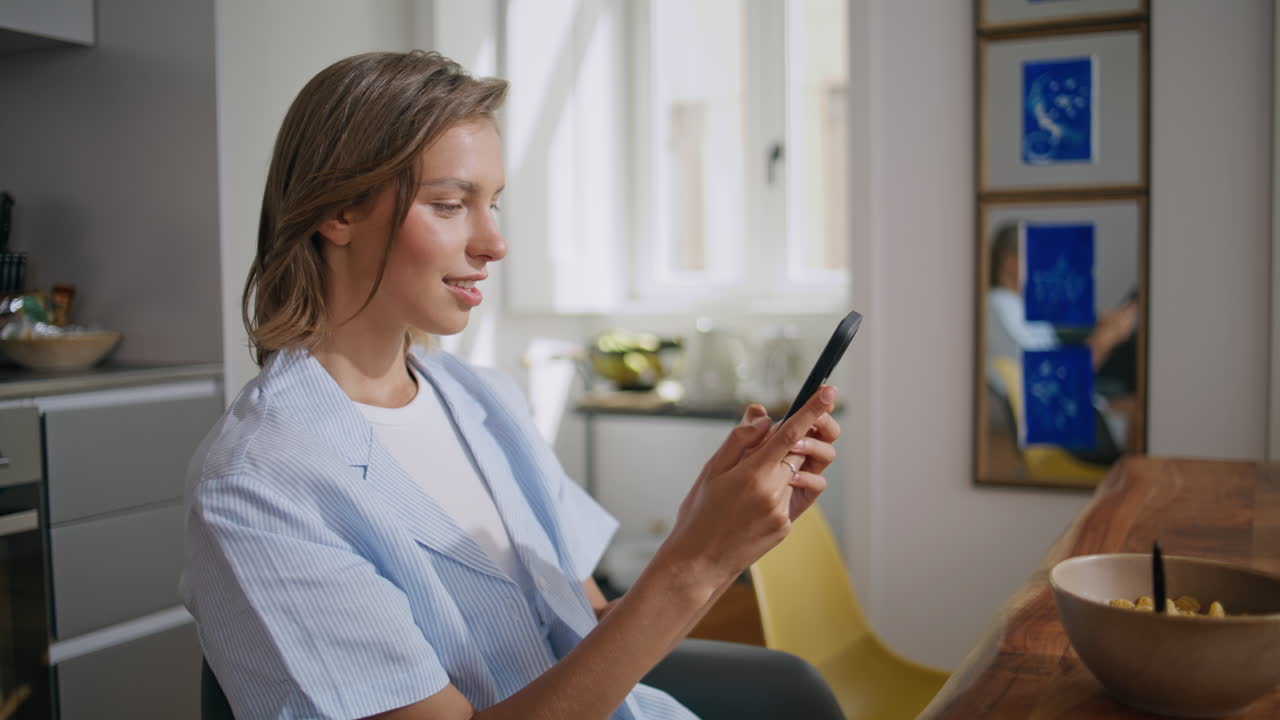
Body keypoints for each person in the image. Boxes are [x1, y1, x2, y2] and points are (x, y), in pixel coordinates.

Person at [180, 50, 841, 720]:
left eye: (493, 204)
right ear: (339, 213)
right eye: (449, 204)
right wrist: (696, 562)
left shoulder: (481, 398)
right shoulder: (259, 484)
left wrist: (714, 535)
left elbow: (583, 634)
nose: (494, 243)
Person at [985, 222, 1139, 455]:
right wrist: (1106, 338)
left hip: (1071, 410)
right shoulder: (998, 307)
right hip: (1058, 429)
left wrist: (1104, 328)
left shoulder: (1021, 308)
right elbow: (1047, 382)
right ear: (1010, 262)